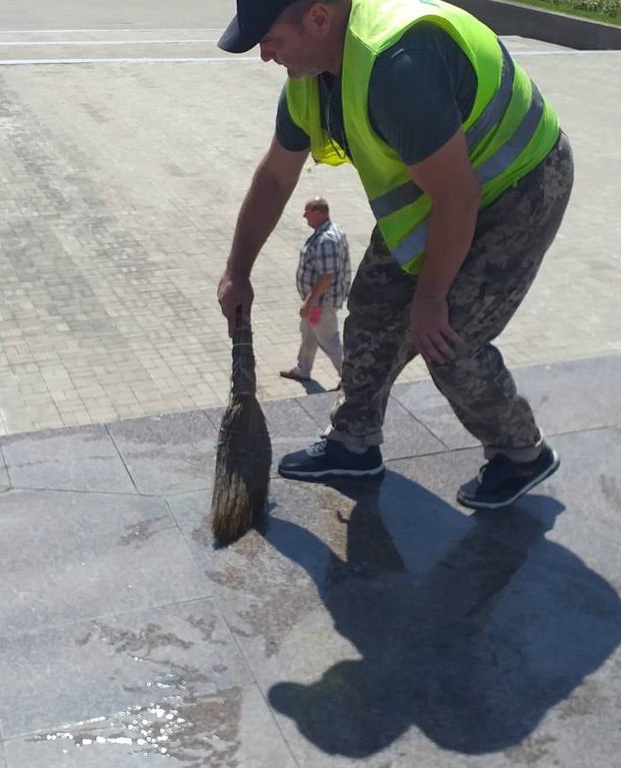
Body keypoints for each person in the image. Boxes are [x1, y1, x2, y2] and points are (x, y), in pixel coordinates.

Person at [214, 0, 575, 510]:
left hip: (519, 186)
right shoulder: (308, 81)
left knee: (450, 341)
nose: (264, 56)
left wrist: (430, 296)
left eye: (270, 39)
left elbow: (459, 197)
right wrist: (237, 270)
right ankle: (354, 442)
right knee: (373, 312)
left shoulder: (396, 64)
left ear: (318, 18)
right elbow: (276, 176)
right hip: (440, 184)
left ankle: (522, 452)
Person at [280, 196, 350, 387]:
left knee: (329, 341)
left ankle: (350, 379)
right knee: (309, 333)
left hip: (321, 302)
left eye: (307, 211)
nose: (304, 215)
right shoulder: (330, 231)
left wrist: (309, 302)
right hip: (318, 301)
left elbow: (327, 276)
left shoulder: (326, 239)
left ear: (319, 213)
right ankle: (302, 369)